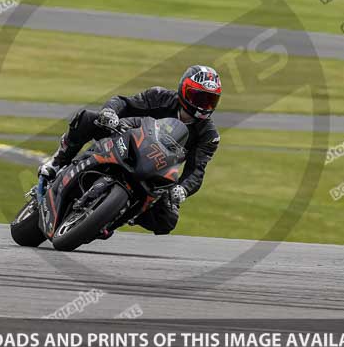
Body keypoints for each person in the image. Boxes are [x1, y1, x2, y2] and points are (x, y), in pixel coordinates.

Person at [39, 65, 222, 236]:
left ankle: (118, 214)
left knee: (167, 220)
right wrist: (110, 112)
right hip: (129, 137)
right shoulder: (160, 96)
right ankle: (58, 161)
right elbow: (123, 102)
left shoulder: (209, 135)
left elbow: (196, 170)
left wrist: (182, 189)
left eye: (210, 101)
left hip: (157, 167)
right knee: (88, 118)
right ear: (184, 91)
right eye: (200, 98)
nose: (204, 105)